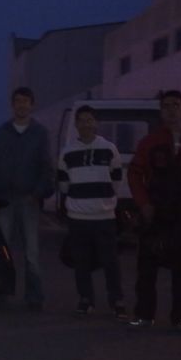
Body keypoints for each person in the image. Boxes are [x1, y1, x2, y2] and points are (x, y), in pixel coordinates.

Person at [127, 90, 181, 336]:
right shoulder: (150, 141)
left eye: (176, 104)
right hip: (155, 212)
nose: (171, 109)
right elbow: (134, 172)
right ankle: (144, 315)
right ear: (161, 111)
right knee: (146, 267)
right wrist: (144, 203)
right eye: (166, 105)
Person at [0, 87, 52, 312]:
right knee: (2, 249)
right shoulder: (1, 132)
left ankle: (34, 296)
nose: (21, 105)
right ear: (12, 105)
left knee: (31, 253)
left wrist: (38, 193)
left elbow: (46, 166)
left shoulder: (39, 133)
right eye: (17, 101)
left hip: (28, 200)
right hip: (4, 199)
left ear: (32, 104)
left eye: (25, 101)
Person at [57, 105, 127, 319]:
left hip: (104, 216)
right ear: (76, 124)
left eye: (89, 120)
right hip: (78, 217)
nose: (86, 124)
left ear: (96, 123)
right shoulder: (67, 151)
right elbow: (63, 184)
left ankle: (117, 300)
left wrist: (103, 200)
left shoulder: (109, 148)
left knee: (110, 261)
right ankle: (86, 299)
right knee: (81, 262)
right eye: (81, 120)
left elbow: (117, 179)